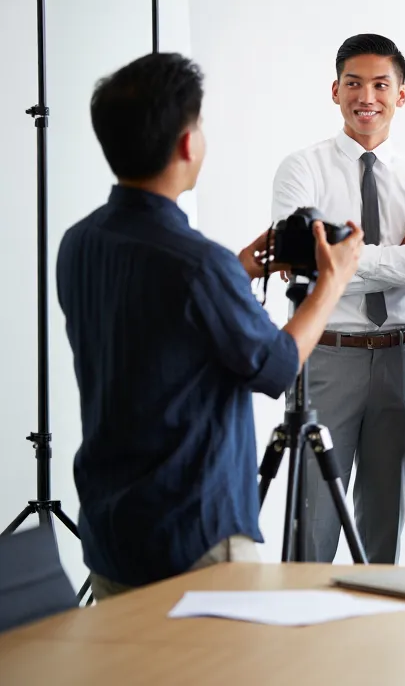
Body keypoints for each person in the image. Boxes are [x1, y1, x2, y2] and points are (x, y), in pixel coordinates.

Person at [58, 53, 363, 598]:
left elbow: (157, 331)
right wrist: (331, 286)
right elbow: (274, 367)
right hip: (192, 534)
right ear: (186, 144)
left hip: (111, 527)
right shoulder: (199, 265)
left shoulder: (80, 243)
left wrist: (241, 269)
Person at [271, 33, 405, 563]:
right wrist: (396, 254)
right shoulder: (301, 169)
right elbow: (299, 262)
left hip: (401, 358)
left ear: (403, 94)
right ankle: (306, 639)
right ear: (335, 91)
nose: (366, 96)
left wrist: (342, 261)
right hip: (325, 356)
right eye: (354, 83)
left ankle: (376, 640)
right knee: (314, 526)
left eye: (380, 84)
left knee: (385, 525)